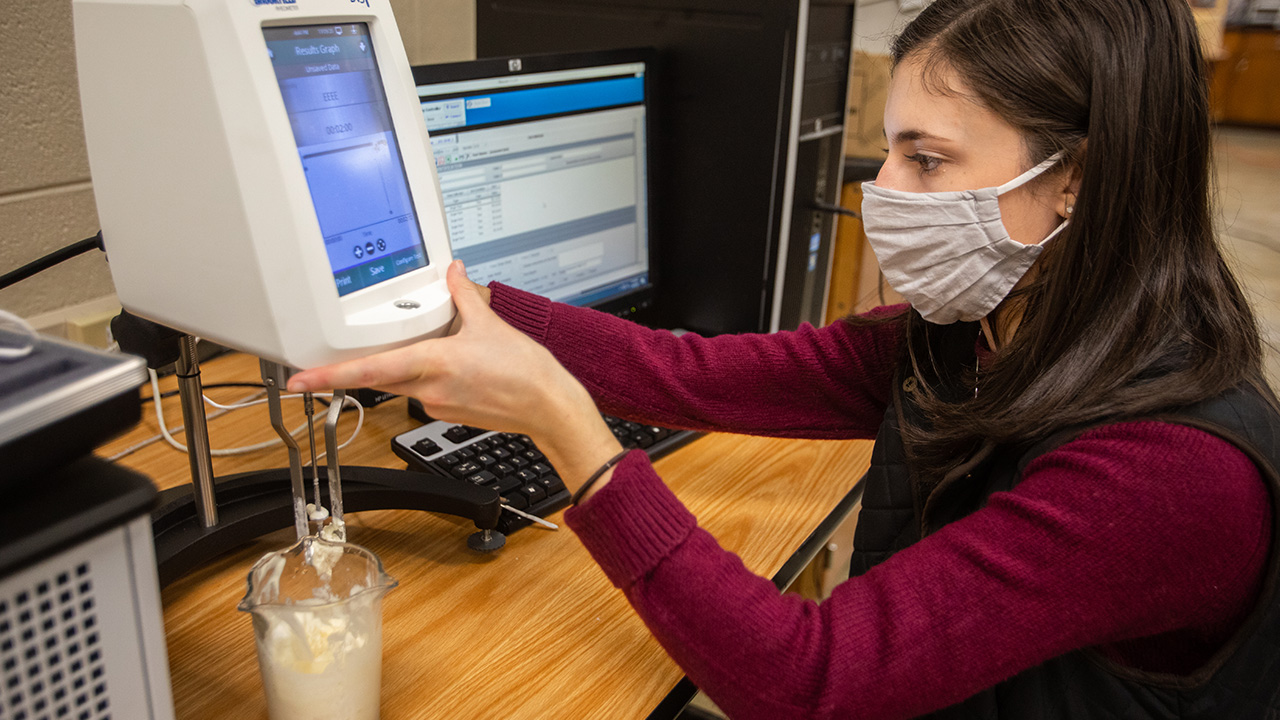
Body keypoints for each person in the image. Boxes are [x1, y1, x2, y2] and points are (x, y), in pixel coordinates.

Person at [288, 0, 1280, 716]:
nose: (880, 187)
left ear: (1075, 180)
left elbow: (810, 683)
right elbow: (686, 375)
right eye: (888, 149)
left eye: (925, 160)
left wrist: (565, 428)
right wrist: (449, 300)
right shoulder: (978, 332)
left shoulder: (1168, 470)